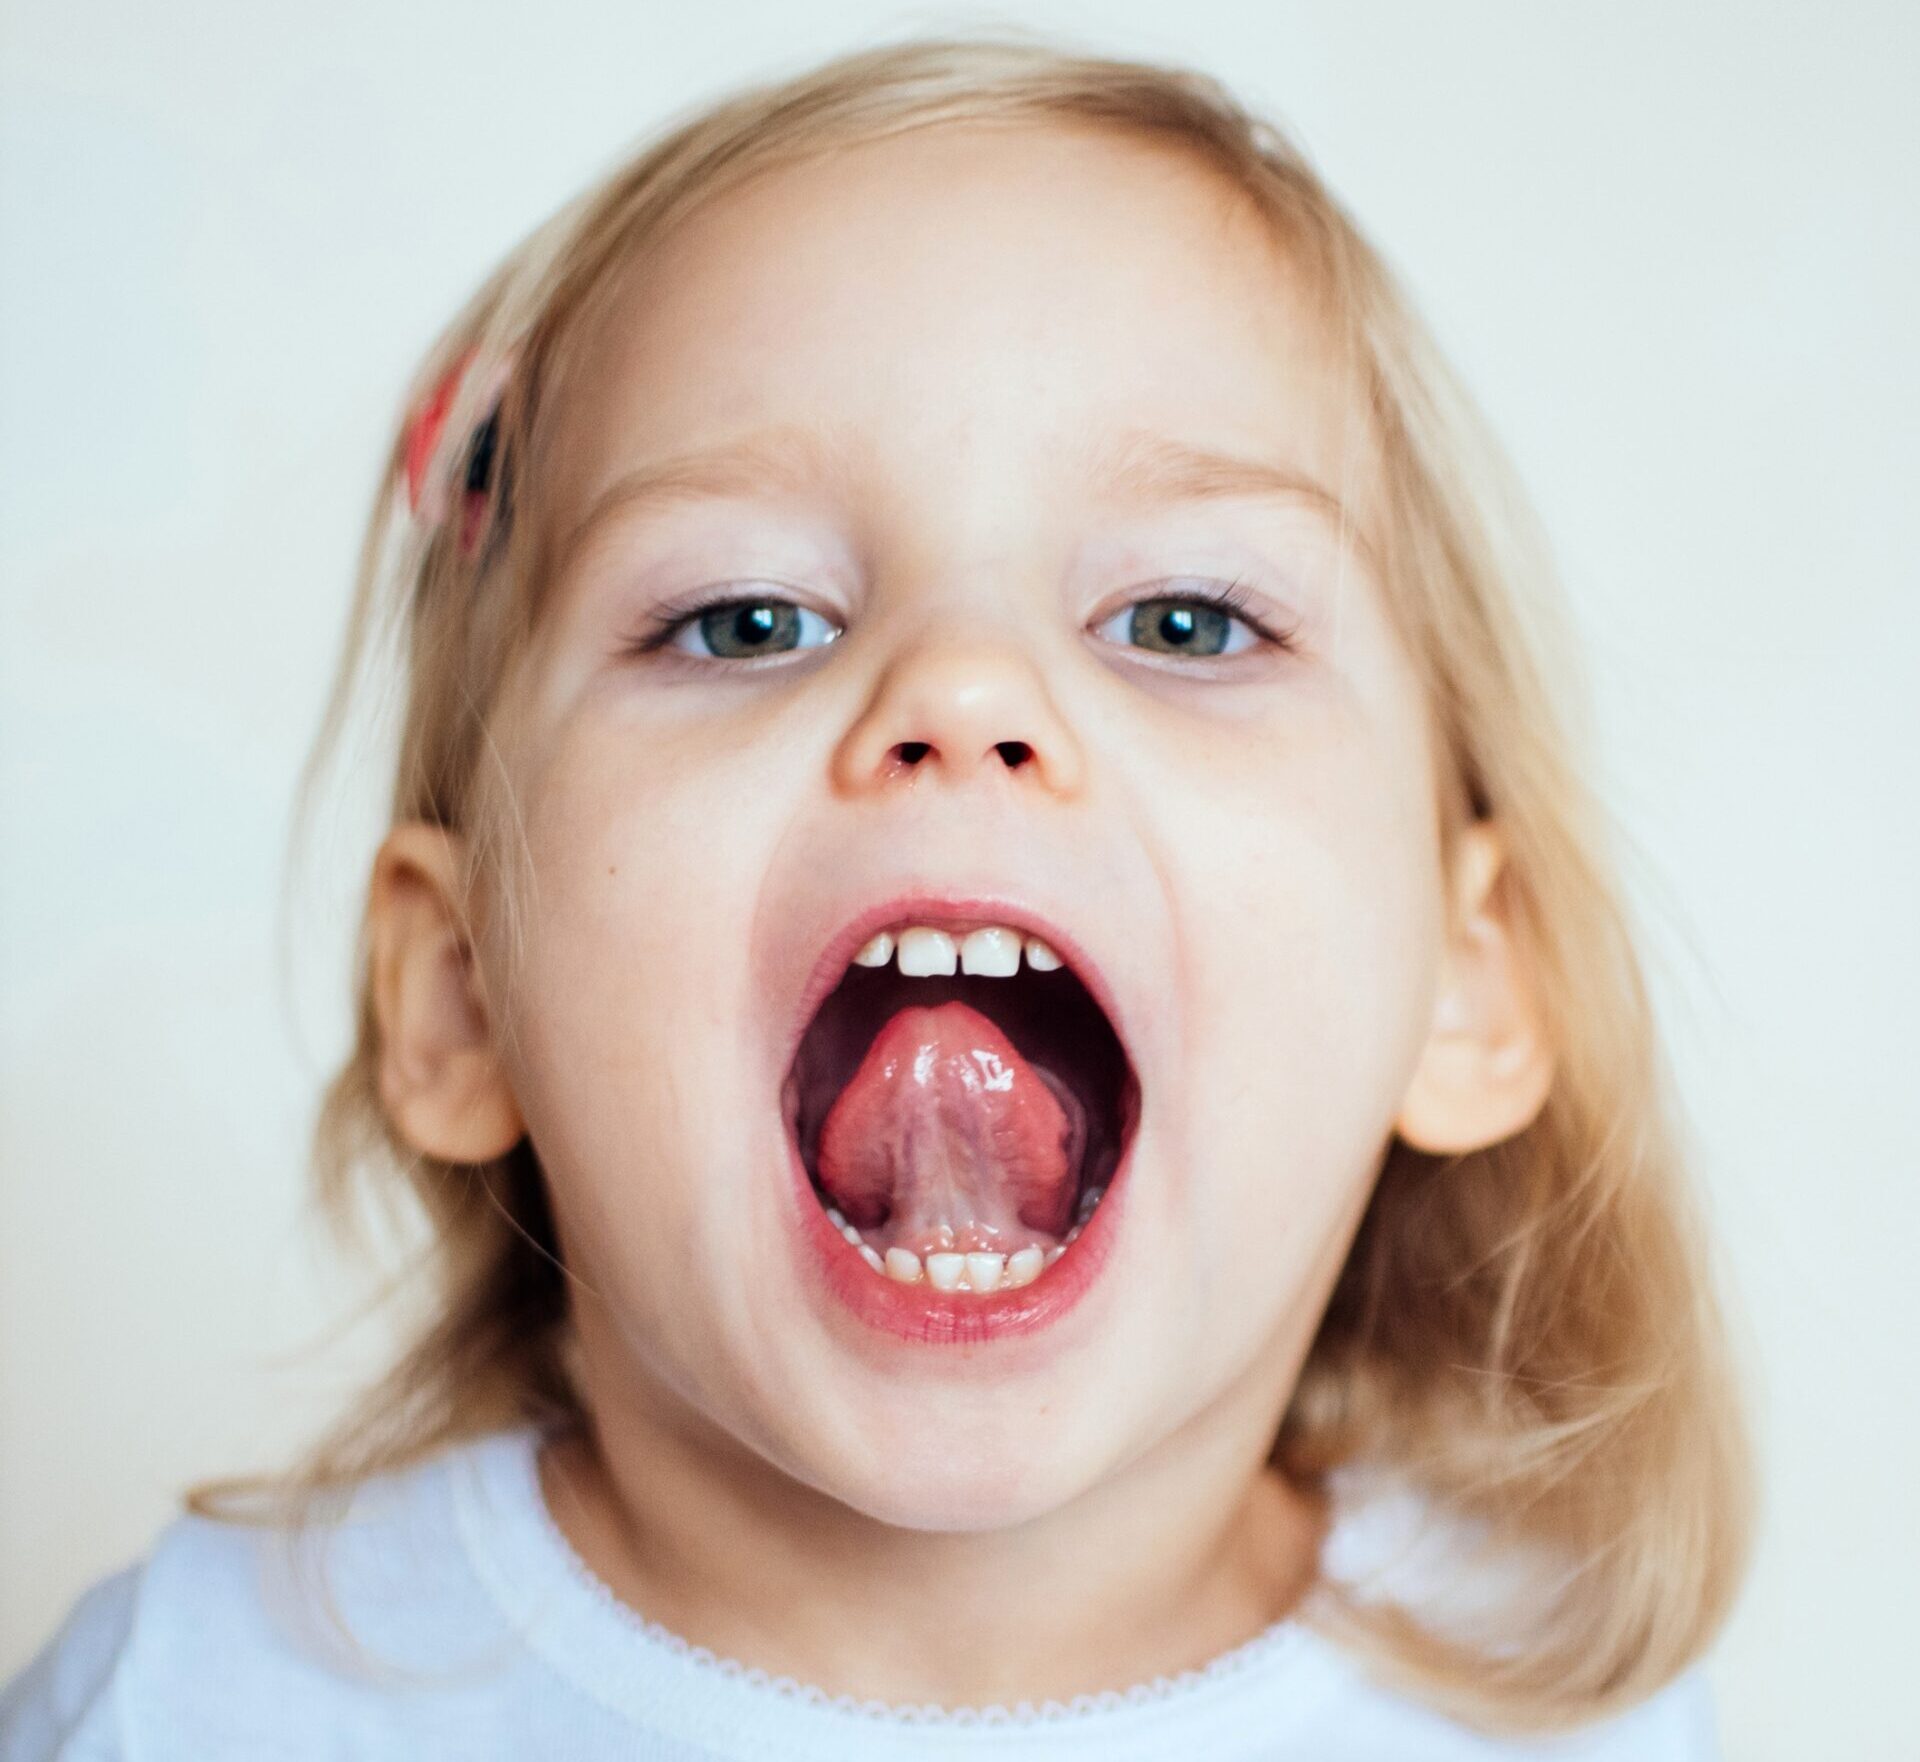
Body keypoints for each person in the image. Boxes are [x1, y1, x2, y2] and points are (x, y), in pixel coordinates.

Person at [0, 31, 1753, 1760]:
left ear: (1466, 984)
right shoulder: (195, 1698)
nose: (966, 688)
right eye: (748, 620)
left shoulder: (1565, 1714)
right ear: (462, 993)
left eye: (1186, 621)